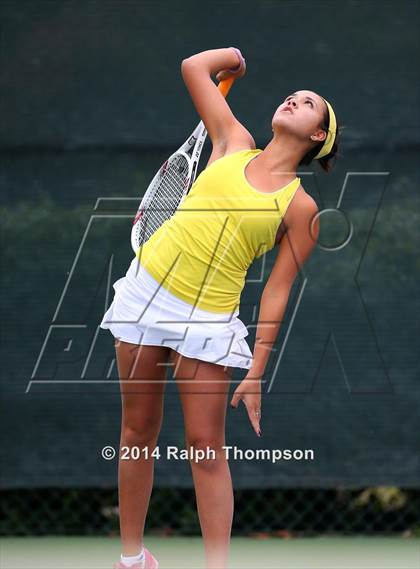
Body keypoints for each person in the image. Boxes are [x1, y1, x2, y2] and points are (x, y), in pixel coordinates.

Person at [100, 47, 340, 569]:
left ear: (318, 136)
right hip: (145, 295)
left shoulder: (302, 210)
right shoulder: (232, 140)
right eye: (292, 96)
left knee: (205, 446)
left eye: (307, 104)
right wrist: (236, 58)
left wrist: (256, 371)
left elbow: (277, 291)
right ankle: (132, 558)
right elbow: (192, 66)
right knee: (137, 432)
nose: (293, 100)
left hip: (207, 321)